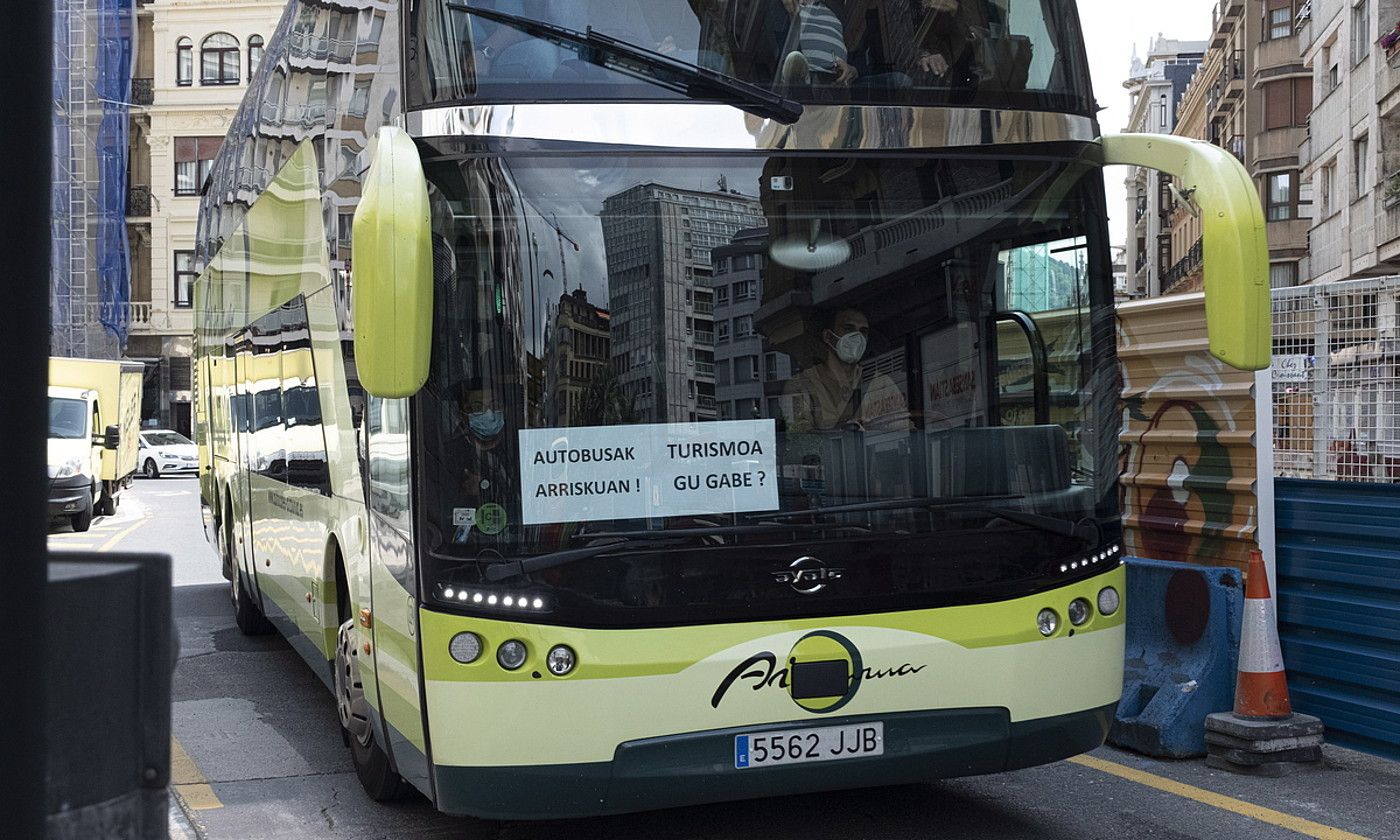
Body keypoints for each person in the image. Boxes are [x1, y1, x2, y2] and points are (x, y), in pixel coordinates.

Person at [783, 308, 910, 432]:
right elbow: (800, 439)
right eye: (848, 329)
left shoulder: (882, 383)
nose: (857, 337)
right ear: (828, 336)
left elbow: (904, 430)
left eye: (863, 331)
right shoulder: (801, 385)